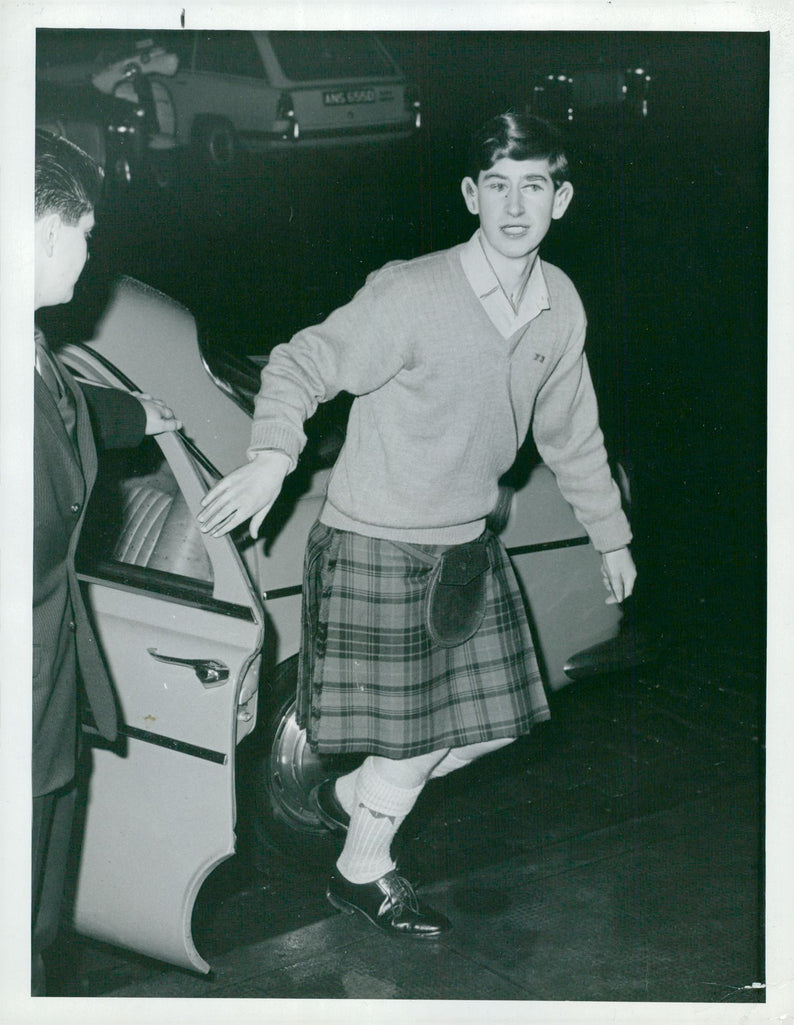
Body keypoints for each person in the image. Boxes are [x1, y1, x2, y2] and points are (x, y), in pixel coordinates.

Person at [198, 112, 636, 938]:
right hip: (376, 542)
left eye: (534, 184)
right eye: (498, 184)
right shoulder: (412, 291)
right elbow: (302, 361)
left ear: (562, 197)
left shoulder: (559, 305)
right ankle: (364, 870)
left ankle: (342, 800)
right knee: (412, 741)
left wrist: (609, 533)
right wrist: (271, 455)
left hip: (465, 548)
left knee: (495, 728)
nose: (515, 205)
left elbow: (571, 429)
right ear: (472, 194)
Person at [32, 128, 181, 993]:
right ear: (45, 229)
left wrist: (139, 416)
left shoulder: (36, 353)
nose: (91, 255)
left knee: (39, 930)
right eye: (85, 233)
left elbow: (66, 412)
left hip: (45, 708)